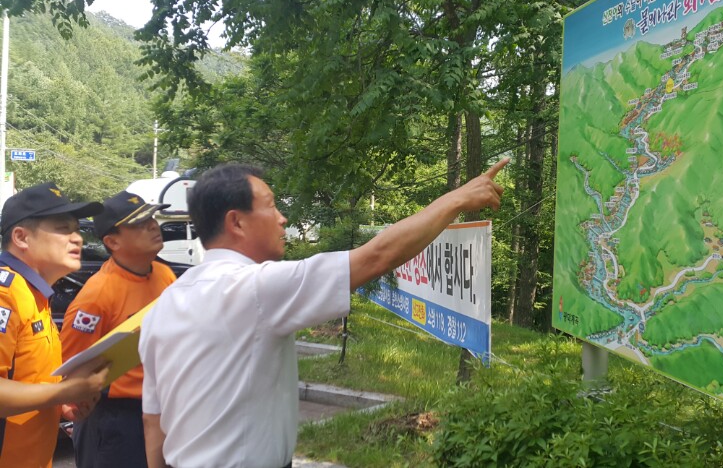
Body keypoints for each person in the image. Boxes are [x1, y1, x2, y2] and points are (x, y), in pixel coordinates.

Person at [139, 160, 508, 468]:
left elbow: (153, 421)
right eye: (271, 206)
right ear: (236, 222)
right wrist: (458, 199)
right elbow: (377, 256)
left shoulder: (164, 306)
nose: (282, 218)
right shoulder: (255, 288)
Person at [61, 191, 178, 468]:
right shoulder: (97, 296)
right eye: (139, 223)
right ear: (112, 241)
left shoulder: (164, 275)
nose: (153, 225)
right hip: (114, 420)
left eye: (152, 218)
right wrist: (68, 405)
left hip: (162, 407)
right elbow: (69, 364)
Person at [0, 182, 111, 468]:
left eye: (77, 230)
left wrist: (61, 405)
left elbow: (26, 381)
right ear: (21, 237)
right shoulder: (5, 293)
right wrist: (65, 391)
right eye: (63, 229)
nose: (78, 239)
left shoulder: (34, 294)